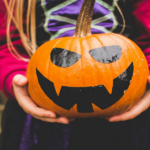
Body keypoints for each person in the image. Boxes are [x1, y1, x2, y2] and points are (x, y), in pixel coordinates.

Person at [0, 0, 150, 149]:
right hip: (39, 113)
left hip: (129, 112)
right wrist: (15, 77)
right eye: (62, 58)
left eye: (108, 56)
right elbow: (7, 43)